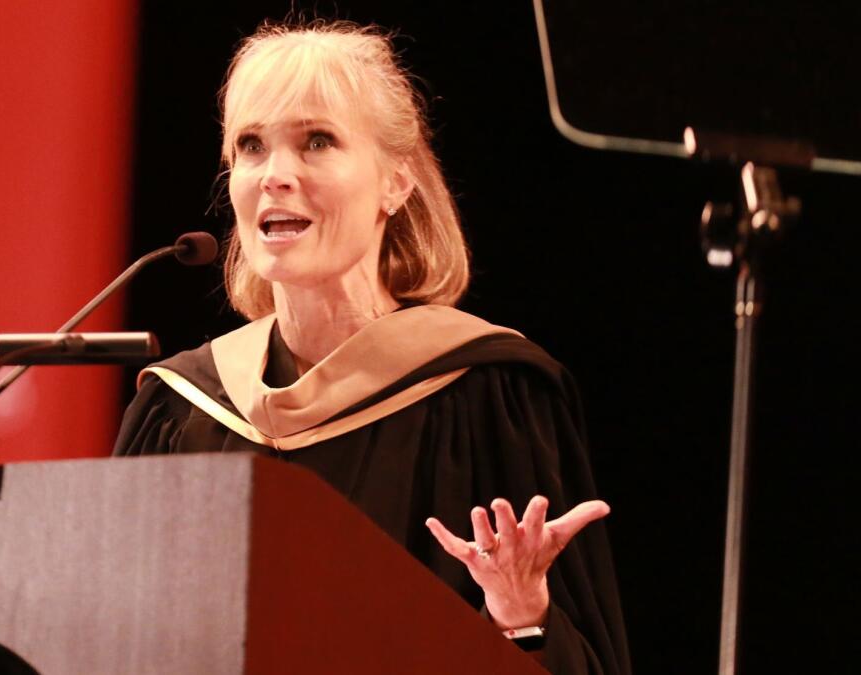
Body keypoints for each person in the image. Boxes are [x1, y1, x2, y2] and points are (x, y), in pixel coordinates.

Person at [113, 20, 630, 675]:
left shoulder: (487, 393)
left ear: (396, 182)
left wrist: (519, 613)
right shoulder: (180, 409)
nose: (275, 175)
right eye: (250, 146)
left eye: (317, 141)